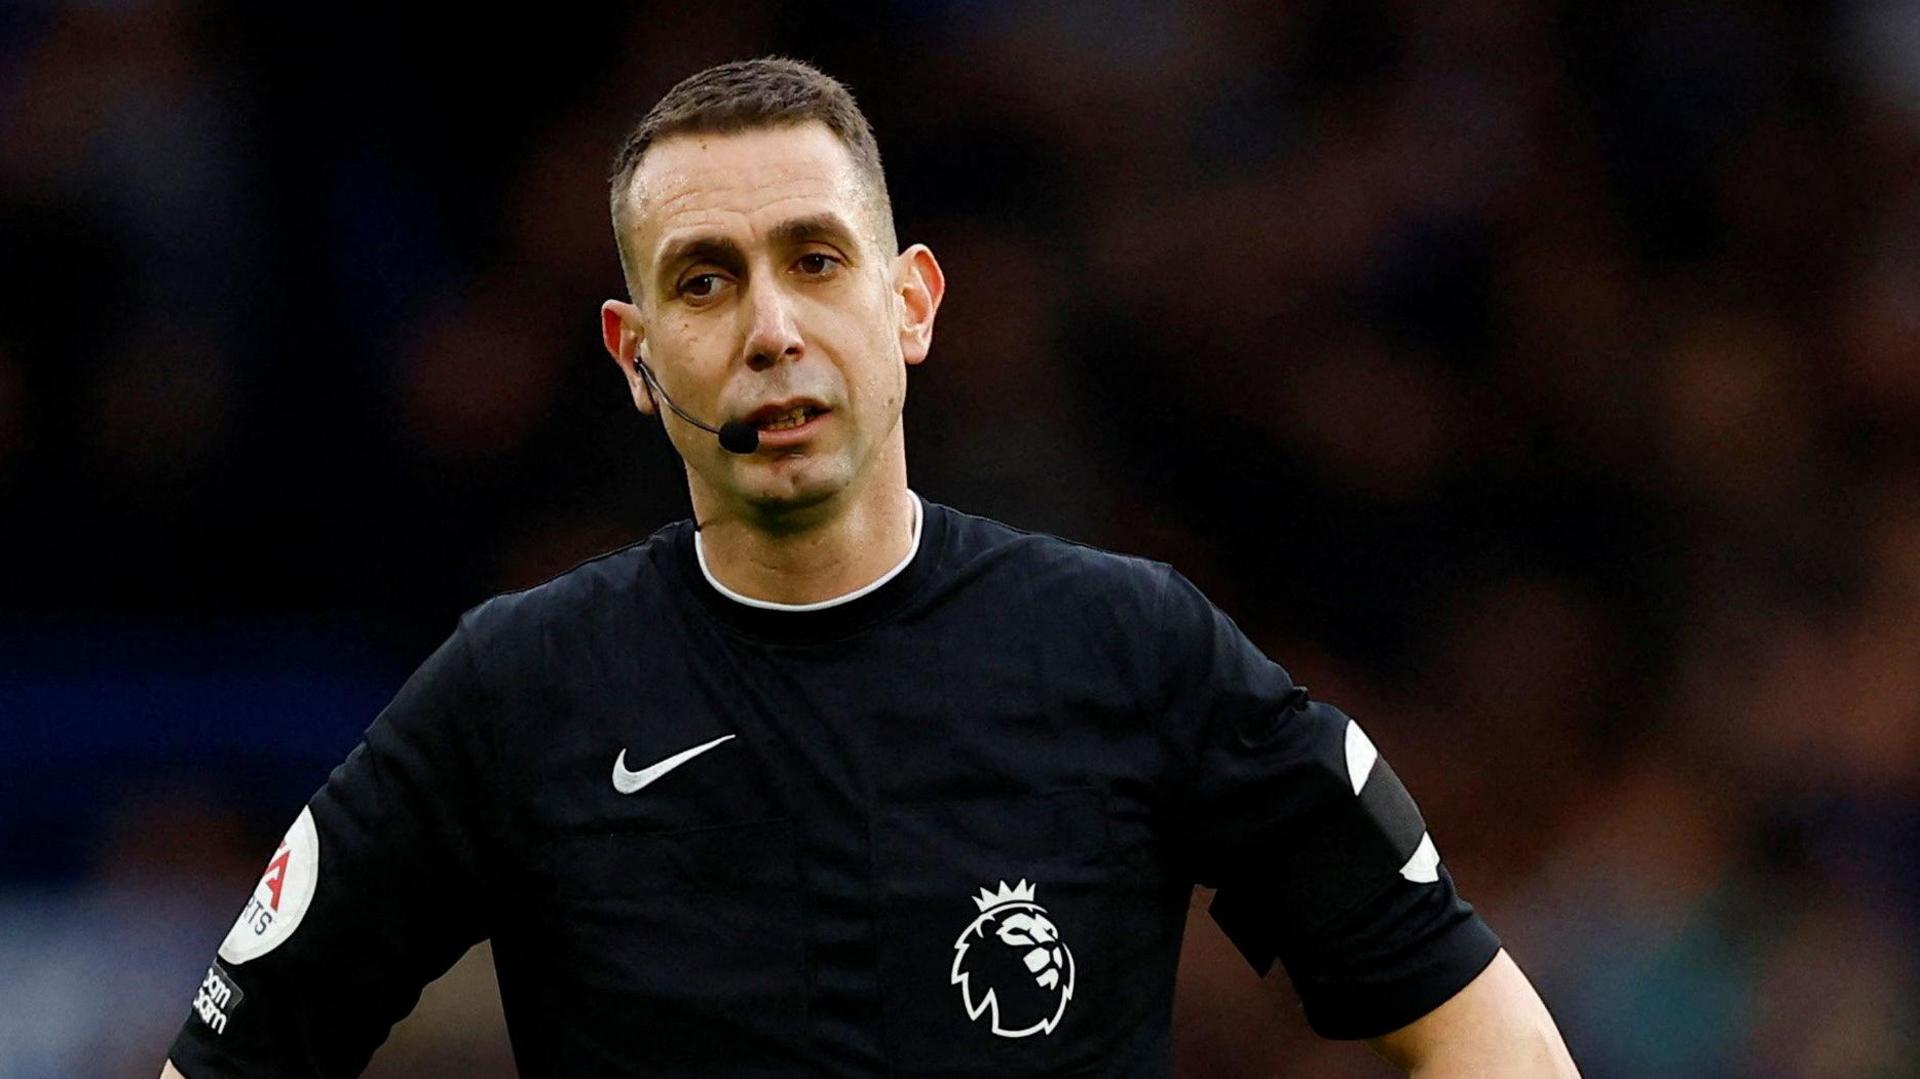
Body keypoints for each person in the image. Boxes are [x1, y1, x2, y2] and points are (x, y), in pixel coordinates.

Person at [162, 57, 1580, 1078]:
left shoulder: (1133, 651)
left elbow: (1481, 1024)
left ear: (910, 304)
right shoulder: (516, 691)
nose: (771, 328)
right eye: (705, 280)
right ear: (636, 359)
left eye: (816, 261)